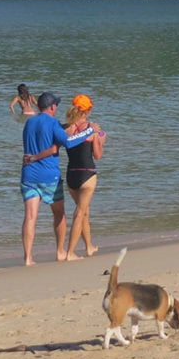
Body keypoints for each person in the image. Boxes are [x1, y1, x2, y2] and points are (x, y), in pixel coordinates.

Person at [19, 91, 94, 266]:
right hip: (49, 175)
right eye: (56, 105)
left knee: (30, 216)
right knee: (59, 213)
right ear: (52, 107)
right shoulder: (53, 123)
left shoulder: (29, 122)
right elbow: (68, 142)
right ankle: (60, 251)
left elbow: (41, 138)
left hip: (29, 174)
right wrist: (89, 131)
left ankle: (28, 258)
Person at [63, 94, 106, 261]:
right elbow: (97, 155)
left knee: (84, 211)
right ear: (87, 111)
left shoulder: (66, 128)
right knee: (80, 213)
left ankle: (89, 247)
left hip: (71, 175)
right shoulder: (91, 129)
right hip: (87, 174)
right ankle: (70, 252)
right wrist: (100, 141)